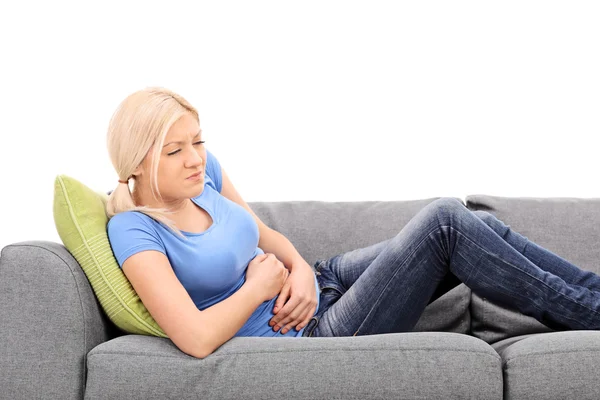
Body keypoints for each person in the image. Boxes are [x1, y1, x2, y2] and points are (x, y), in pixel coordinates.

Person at [106, 87, 600, 359]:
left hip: (321, 281)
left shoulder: (203, 175)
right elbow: (194, 338)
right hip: (309, 332)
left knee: (476, 225)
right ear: (135, 162)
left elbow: (266, 235)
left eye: (198, 140)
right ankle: (589, 311)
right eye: (175, 150)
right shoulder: (135, 230)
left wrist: (297, 268)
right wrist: (260, 287)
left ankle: (593, 294)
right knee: (445, 222)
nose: (196, 158)